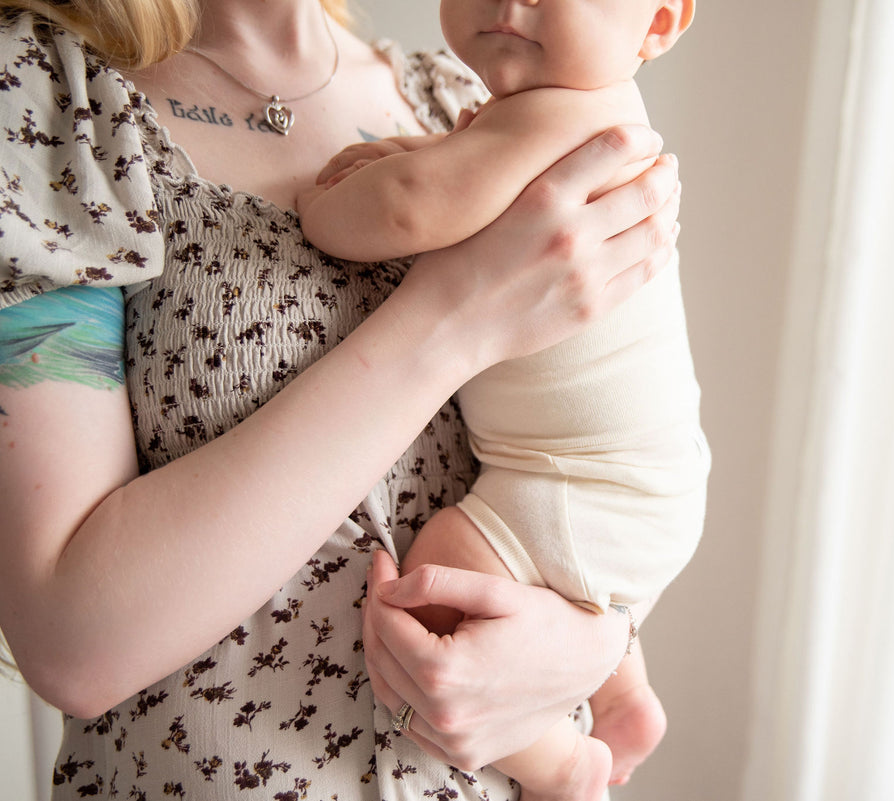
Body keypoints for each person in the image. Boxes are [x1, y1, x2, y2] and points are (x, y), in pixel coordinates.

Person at [0, 0, 682, 798]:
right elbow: (75, 647)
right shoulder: (49, 97)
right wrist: (454, 318)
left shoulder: (461, 90)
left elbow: (613, 430)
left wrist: (597, 644)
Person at [296, 1, 705, 799]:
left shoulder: (562, 117)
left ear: (657, 23)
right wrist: (422, 155)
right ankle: (623, 697)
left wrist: (319, 208)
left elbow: (410, 206)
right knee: (559, 580)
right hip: (635, 480)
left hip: (580, 487)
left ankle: (564, 761)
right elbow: (470, 179)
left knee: (436, 586)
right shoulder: (564, 117)